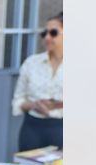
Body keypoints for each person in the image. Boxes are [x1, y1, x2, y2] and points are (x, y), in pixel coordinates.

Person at [12, 12, 63, 151]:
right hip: (32, 129)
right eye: (44, 33)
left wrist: (57, 104)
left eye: (53, 33)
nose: (47, 37)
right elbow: (18, 100)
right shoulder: (31, 63)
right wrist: (35, 105)